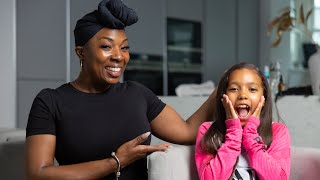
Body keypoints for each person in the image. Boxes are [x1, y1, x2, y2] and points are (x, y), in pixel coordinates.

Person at [25, 0, 216, 179]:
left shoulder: (137, 94)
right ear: (81, 52)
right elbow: (38, 173)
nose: (119, 56)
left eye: (124, 48)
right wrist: (116, 162)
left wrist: (224, 88)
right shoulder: (50, 101)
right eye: (106, 46)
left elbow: (188, 131)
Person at [195, 63, 290, 180]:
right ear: (223, 97)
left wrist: (250, 135)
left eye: (252, 89)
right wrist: (233, 131)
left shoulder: (277, 131)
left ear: (263, 98)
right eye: (234, 89)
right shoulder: (208, 131)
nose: (243, 95)